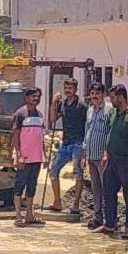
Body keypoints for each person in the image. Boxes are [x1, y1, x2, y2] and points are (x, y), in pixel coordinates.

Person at [101, 84, 128, 240]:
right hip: (112, 160)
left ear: (121, 97)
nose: (111, 101)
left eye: (112, 97)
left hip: (127, 161)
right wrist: (106, 154)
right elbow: (110, 134)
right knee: (109, 192)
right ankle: (110, 223)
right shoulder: (114, 114)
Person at [46, 77, 87, 214]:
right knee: (53, 170)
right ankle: (57, 202)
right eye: (66, 88)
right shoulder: (62, 104)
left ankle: (75, 205)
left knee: (78, 173)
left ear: (75, 90)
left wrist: (85, 148)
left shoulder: (81, 106)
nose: (67, 90)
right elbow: (52, 119)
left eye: (70, 88)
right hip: (66, 143)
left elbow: (88, 125)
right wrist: (53, 103)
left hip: (78, 143)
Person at [11, 87, 47, 227]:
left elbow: (40, 137)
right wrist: (18, 154)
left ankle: (29, 214)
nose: (36, 99)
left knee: (32, 186)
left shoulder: (39, 115)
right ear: (27, 97)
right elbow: (15, 135)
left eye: (38, 96)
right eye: (33, 96)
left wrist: (43, 155)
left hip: (36, 157)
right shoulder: (20, 114)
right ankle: (18, 215)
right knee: (19, 185)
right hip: (24, 157)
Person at [81, 81, 113, 232]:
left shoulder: (109, 110)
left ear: (103, 95)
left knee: (107, 187)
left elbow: (110, 133)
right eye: (92, 94)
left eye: (97, 94)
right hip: (91, 156)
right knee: (96, 188)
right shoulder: (89, 111)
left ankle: (110, 219)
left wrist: (107, 152)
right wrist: (84, 154)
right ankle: (97, 217)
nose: (94, 97)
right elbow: (86, 132)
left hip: (102, 157)